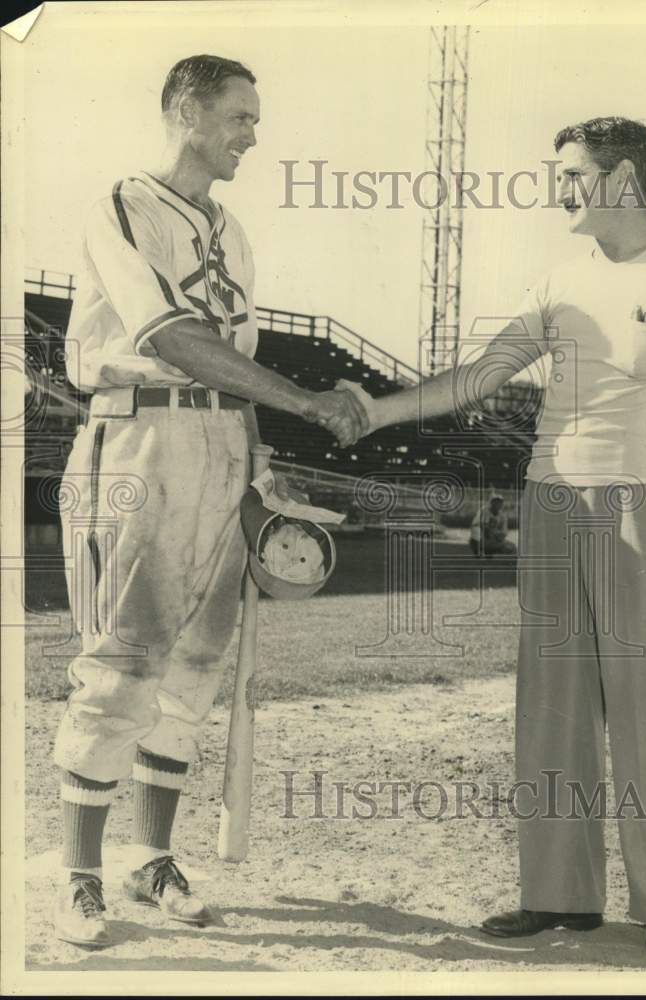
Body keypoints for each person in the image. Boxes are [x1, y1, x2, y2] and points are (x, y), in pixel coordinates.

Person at [346, 117, 646, 958]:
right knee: (552, 708)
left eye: (571, 173)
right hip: (553, 499)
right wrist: (378, 410)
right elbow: (482, 374)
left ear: (624, 176)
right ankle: (559, 894)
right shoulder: (558, 279)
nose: (557, 187)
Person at [53, 54, 368, 949]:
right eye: (239, 116)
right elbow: (171, 337)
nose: (252, 135)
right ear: (187, 112)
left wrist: (262, 462)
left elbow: (232, 362)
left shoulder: (233, 230)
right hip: (142, 435)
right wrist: (306, 403)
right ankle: (79, 874)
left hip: (225, 445)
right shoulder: (123, 203)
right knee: (123, 661)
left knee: (195, 668)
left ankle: (151, 858)